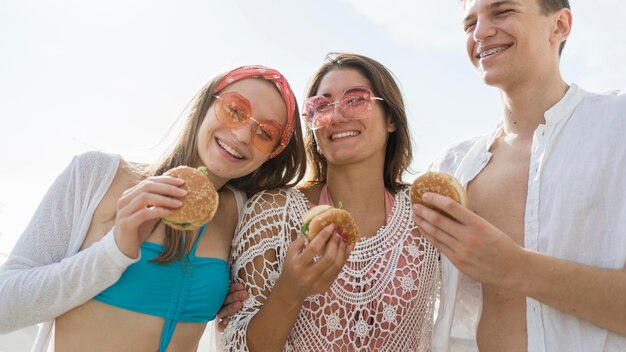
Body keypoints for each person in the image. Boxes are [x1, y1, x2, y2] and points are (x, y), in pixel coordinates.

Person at [0, 65, 306, 352]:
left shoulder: (243, 214)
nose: (242, 135)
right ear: (207, 104)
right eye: (234, 109)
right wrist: (114, 250)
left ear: (273, 153)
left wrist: (227, 303)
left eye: (266, 133)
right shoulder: (96, 175)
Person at [412, 1, 626, 351]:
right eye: (469, 24)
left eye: (502, 11)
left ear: (559, 26)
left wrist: (513, 267)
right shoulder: (450, 167)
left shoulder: (619, 127)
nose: (479, 32)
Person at [221, 53, 439, 352]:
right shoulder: (273, 212)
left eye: (356, 99)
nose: (335, 117)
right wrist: (290, 290)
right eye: (321, 106)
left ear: (391, 118)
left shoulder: (426, 216)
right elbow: (236, 347)